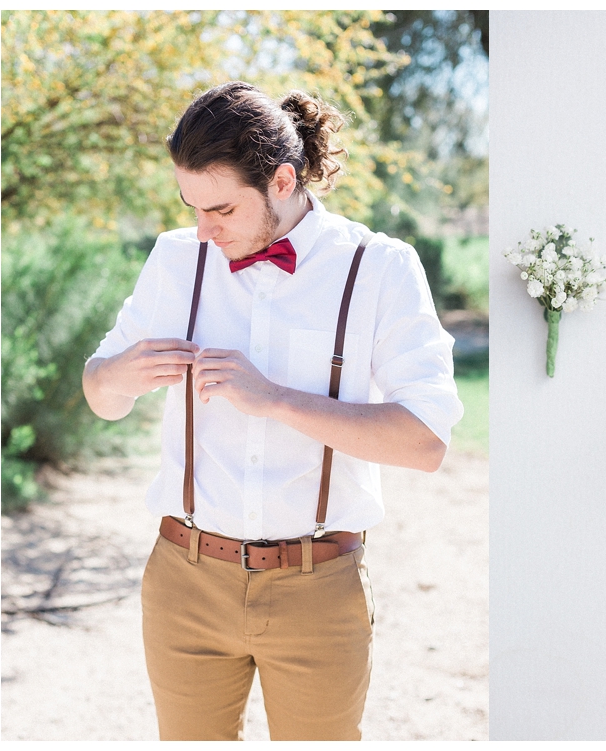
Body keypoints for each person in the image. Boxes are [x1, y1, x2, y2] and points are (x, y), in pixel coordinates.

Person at [82, 81, 463, 741]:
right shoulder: (178, 259)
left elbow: (424, 442)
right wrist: (118, 374)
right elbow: (100, 393)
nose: (204, 228)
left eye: (222, 208)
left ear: (282, 180)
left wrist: (277, 399)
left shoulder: (379, 270)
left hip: (319, 588)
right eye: (191, 207)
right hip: (184, 579)